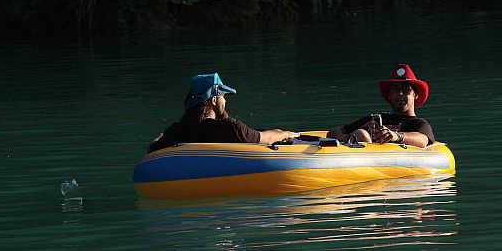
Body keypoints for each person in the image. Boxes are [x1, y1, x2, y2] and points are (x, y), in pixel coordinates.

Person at [147, 73, 299, 152]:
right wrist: (285, 134)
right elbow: (265, 138)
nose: (225, 101)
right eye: (223, 97)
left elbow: (152, 148)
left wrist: (163, 135)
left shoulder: (177, 130)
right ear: (214, 100)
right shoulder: (231, 128)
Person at [327, 64, 435, 148]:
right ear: (389, 95)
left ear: (415, 95)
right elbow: (333, 132)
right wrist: (349, 138)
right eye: (395, 89)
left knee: (362, 134)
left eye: (406, 89)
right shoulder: (374, 119)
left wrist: (396, 136)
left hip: (382, 164)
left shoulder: (419, 124)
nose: (400, 93)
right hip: (354, 161)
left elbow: (422, 140)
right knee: (361, 134)